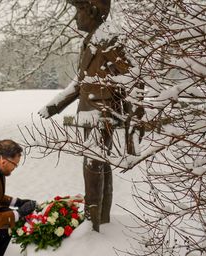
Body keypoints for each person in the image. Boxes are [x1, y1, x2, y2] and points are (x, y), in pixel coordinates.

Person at [38, 0, 141, 232]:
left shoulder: (108, 39)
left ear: (92, 12)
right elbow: (81, 83)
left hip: (101, 114)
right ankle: (99, 221)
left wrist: (134, 117)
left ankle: (92, 225)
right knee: (99, 164)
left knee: (93, 165)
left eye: (78, 11)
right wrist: (55, 106)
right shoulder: (92, 40)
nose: (75, 18)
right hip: (91, 114)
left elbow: (134, 76)